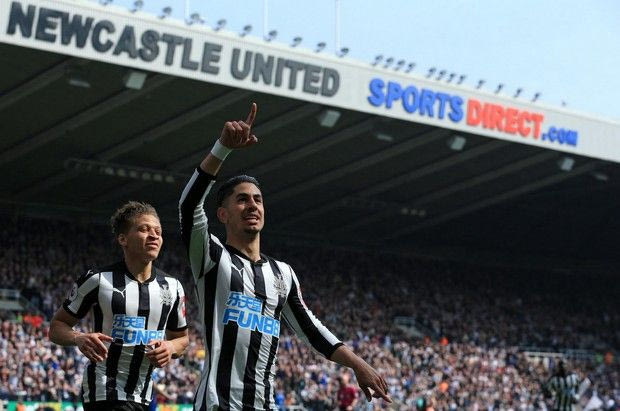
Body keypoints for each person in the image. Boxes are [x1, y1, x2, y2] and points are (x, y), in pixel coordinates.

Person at [179, 103, 391, 410]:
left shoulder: (282, 273)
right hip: (218, 405)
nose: (252, 205)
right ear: (223, 214)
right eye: (242, 200)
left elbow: (311, 329)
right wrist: (222, 148)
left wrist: (358, 364)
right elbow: (188, 207)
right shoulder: (212, 256)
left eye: (258, 200)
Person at [49, 201, 189, 411]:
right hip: (104, 391)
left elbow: (182, 339)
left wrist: (170, 347)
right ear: (123, 239)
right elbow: (56, 327)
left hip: (144, 395)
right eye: (144, 229)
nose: (154, 235)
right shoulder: (98, 280)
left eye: (158, 231)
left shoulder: (173, 287)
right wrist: (78, 338)